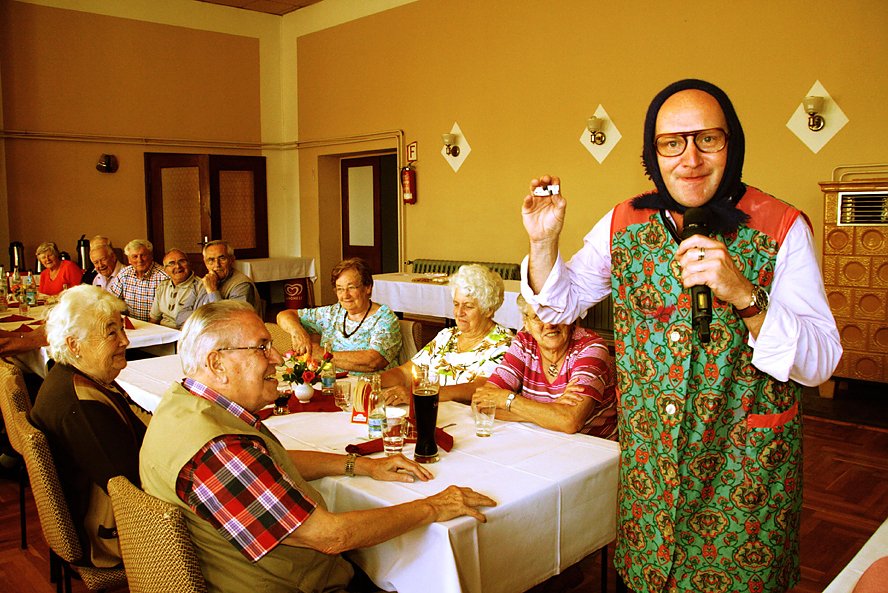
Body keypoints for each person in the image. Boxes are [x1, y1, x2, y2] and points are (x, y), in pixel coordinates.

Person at [520, 79, 842, 593]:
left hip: (744, 478)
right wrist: (543, 243)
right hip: (650, 479)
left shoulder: (781, 226)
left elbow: (821, 362)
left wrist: (744, 295)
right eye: (672, 143)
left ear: (731, 143)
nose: (690, 159)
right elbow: (560, 303)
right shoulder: (623, 222)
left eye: (707, 139)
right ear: (654, 153)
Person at [139, 301, 495, 593]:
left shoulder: (181, 405)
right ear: (217, 363)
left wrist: (362, 465)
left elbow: (267, 462)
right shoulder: (218, 450)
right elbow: (331, 536)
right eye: (262, 347)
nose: (278, 358)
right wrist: (432, 506)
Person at [29, 285, 146, 567]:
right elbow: (131, 489)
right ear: (74, 345)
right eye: (111, 333)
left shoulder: (77, 374)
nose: (125, 340)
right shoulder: (82, 405)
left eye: (122, 329)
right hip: (113, 535)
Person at [473, 294, 616, 438]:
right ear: (526, 323)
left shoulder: (591, 347)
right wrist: (552, 410)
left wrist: (508, 400)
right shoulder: (524, 343)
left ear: (569, 316)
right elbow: (481, 403)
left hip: (592, 446)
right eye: (538, 317)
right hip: (543, 439)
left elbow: (570, 421)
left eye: (555, 313)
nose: (549, 325)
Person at [379, 264, 514, 404]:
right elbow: (406, 372)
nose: (459, 312)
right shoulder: (447, 336)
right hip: (433, 411)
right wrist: (374, 381)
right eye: (456, 304)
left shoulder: (504, 343)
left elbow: (480, 388)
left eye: (468, 306)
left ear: (488, 310)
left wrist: (422, 394)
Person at [277, 257, 401, 374]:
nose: (345, 295)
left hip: (369, 386)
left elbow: (373, 361)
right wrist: (298, 333)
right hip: (329, 382)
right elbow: (284, 315)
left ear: (368, 288)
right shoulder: (333, 313)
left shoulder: (384, 318)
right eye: (340, 289)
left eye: (351, 287)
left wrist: (324, 355)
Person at [150, 248, 213, 329]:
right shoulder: (163, 286)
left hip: (184, 332)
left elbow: (200, 322)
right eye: (171, 263)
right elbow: (154, 319)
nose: (178, 266)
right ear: (165, 270)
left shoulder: (202, 286)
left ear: (189, 264)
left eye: (182, 261)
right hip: (162, 332)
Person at [108, 239, 168, 321]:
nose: (140, 260)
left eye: (143, 255)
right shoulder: (124, 274)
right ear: (129, 260)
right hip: (133, 325)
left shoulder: (164, 277)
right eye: (135, 256)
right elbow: (111, 301)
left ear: (151, 256)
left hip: (157, 325)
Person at [201, 240, 258, 310]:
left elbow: (231, 316)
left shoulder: (242, 285)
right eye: (211, 260)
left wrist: (212, 291)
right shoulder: (206, 280)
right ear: (205, 263)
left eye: (222, 259)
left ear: (232, 260)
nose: (217, 265)